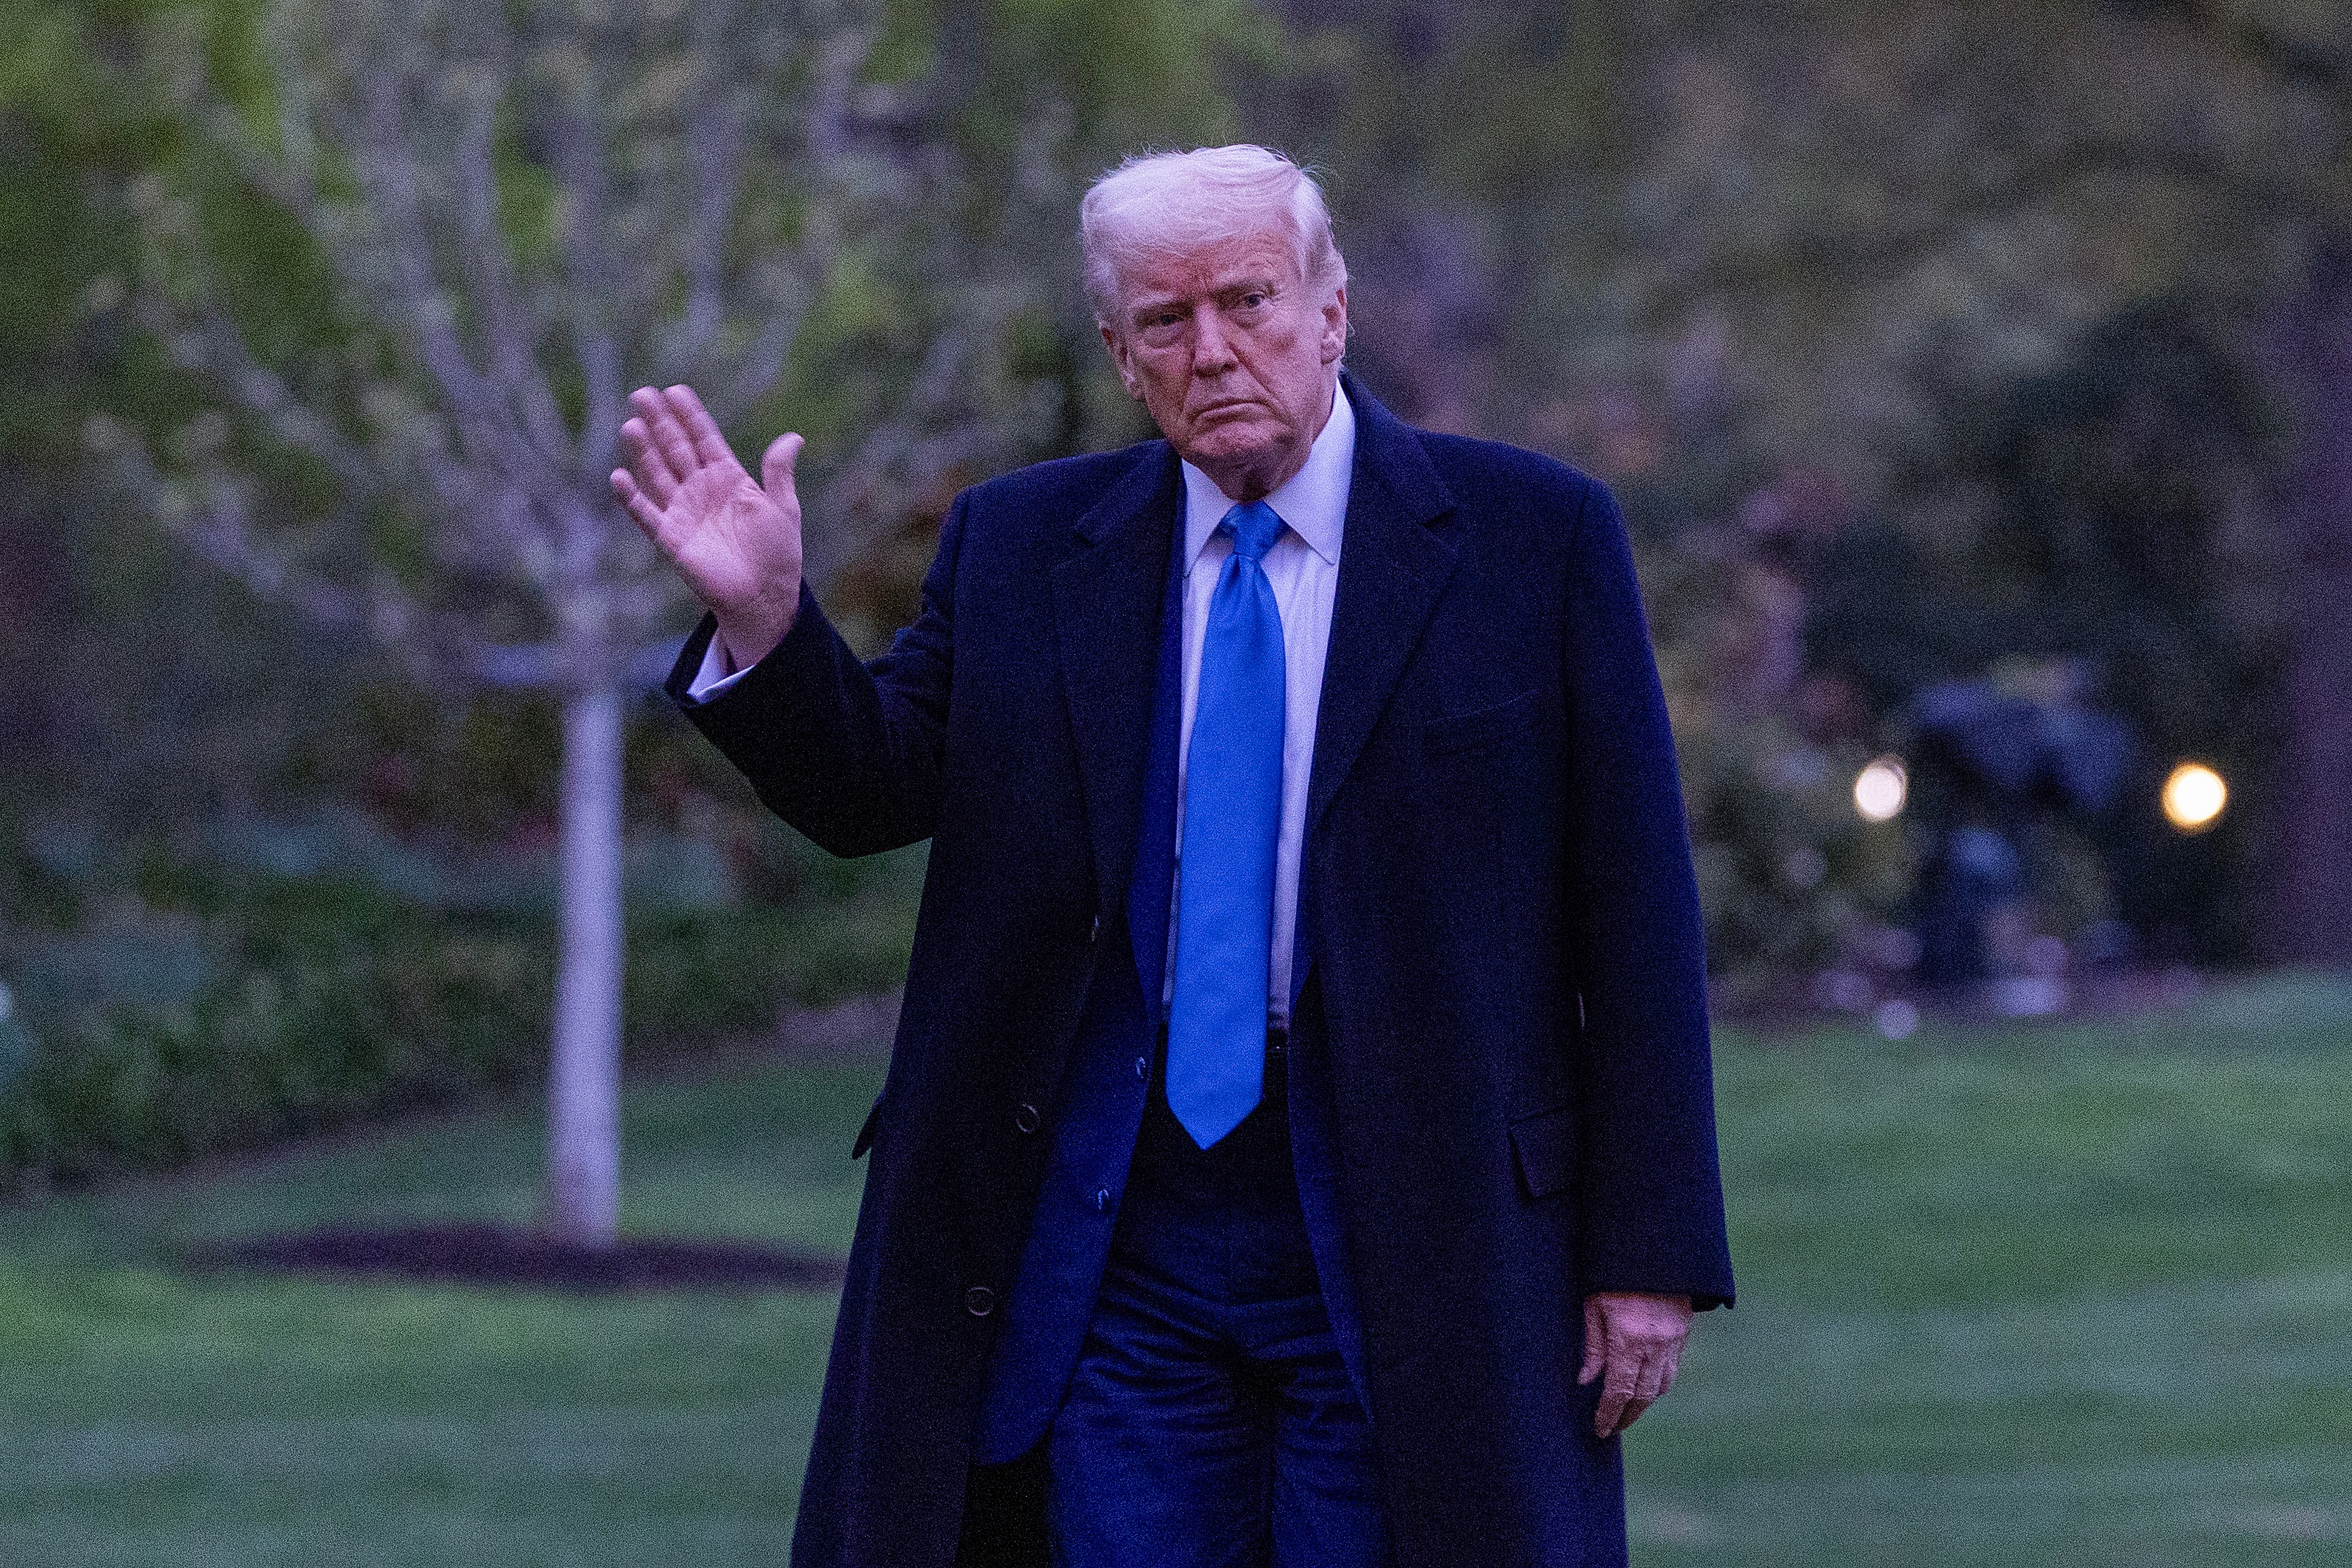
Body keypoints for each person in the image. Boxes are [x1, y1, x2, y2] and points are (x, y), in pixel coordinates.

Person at [612, 144, 1732, 1568]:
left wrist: (1648, 1250)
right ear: (1118, 352)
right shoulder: (1022, 545)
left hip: (1415, 1217)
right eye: (1163, 319)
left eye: (1247, 301)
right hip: (1111, 1220)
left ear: (1330, 309)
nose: (1211, 350)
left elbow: (1630, 910)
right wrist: (771, 625)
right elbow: (872, 787)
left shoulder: (1534, 536)